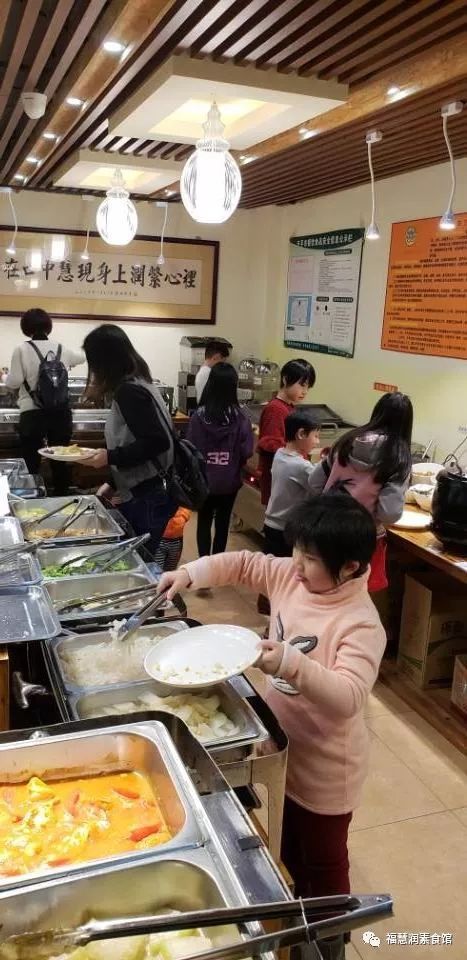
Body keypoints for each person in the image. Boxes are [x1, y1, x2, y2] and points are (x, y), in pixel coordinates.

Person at [160, 494, 386, 960]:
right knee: (292, 853)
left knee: (323, 864)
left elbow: (348, 697)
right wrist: (189, 573)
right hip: (284, 747)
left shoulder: (361, 625)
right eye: (297, 550)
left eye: (311, 558)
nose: (297, 564)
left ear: (349, 567)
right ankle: (299, 925)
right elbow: (244, 564)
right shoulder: (291, 574)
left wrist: (288, 660)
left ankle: (330, 942)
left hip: (327, 770)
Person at [82, 324, 176, 557]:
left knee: (139, 561)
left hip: (147, 496)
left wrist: (109, 457)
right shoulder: (140, 382)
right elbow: (138, 440)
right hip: (147, 491)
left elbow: (156, 442)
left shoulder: (129, 391)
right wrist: (111, 482)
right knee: (138, 557)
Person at [308, 392, 413, 592]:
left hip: (325, 527)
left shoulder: (347, 441)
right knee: (352, 597)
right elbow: (389, 513)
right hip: (361, 537)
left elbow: (314, 481)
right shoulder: (397, 457)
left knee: (323, 591)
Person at [6, 308, 85, 495]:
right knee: (60, 460)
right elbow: (82, 357)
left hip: (32, 413)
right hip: (60, 412)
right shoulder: (62, 348)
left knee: (31, 461)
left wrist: (5, 376)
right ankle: (62, 496)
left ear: (26, 328)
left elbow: (13, 381)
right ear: (48, 326)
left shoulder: (22, 349)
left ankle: (32, 498)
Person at [187, 362, 253, 557]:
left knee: (204, 521)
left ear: (211, 384)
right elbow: (247, 451)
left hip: (204, 481)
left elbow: (190, 448)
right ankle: (218, 563)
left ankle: (203, 562)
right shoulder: (241, 418)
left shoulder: (198, 416)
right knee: (223, 523)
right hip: (229, 481)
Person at [257, 358, 316, 507]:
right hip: (279, 480)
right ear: (285, 379)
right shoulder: (275, 409)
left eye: (308, 387)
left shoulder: (288, 407)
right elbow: (271, 444)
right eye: (302, 385)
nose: (305, 391)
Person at [264, 410, 320, 558]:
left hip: (270, 524)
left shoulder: (280, 454)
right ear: (301, 434)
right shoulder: (300, 466)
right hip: (286, 530)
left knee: (271, 567)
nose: (317, 442)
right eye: (315, 436)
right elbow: (319, 486)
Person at [153, 506, 191, 572]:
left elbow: (187, 506)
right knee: (156, 570)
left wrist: (182, 517)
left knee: (170, 569)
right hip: (160, 540)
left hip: (176, 541)